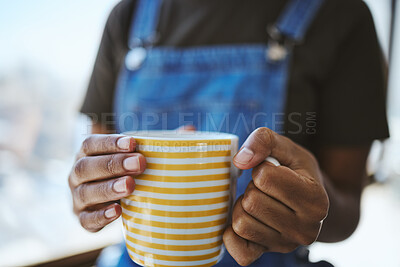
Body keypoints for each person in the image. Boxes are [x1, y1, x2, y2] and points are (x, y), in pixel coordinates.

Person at [68, 0, 389, 266]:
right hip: (138, 258)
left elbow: (347, 208)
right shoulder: (127, 15)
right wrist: (90, 189)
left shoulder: (341, 13)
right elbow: (98, 159)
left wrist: (315, 205)